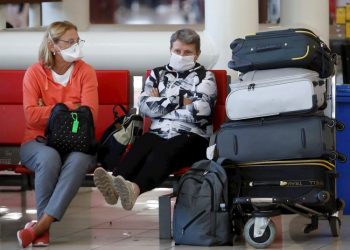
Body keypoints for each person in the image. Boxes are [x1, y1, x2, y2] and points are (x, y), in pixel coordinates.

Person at [93, 28, 217, 211]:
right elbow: (144, 106)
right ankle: (115, 183)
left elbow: (201, 111)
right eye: (177, 51)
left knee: (164, 151)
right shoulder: (157, 74)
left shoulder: (205, 77)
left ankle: (134, 189)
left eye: (187, 52)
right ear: (170, 50)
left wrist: (161, 103)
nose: (181, 56)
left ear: (197, 54)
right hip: (158, 133)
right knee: (144, 143)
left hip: (192, 137)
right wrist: (182, 101)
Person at [17, 21, 99, 248]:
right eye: (69, 42)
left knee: (80, 160)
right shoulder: (35, 72)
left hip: (77, 144)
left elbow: (89, 115)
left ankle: (40, 228)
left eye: (77, 41)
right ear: (53, 46)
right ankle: (42, 229)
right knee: (49, 157)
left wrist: (52, 110)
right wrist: (69, 108)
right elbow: (31, 117)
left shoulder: (86, 72)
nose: (76, 46)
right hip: (37, 141)